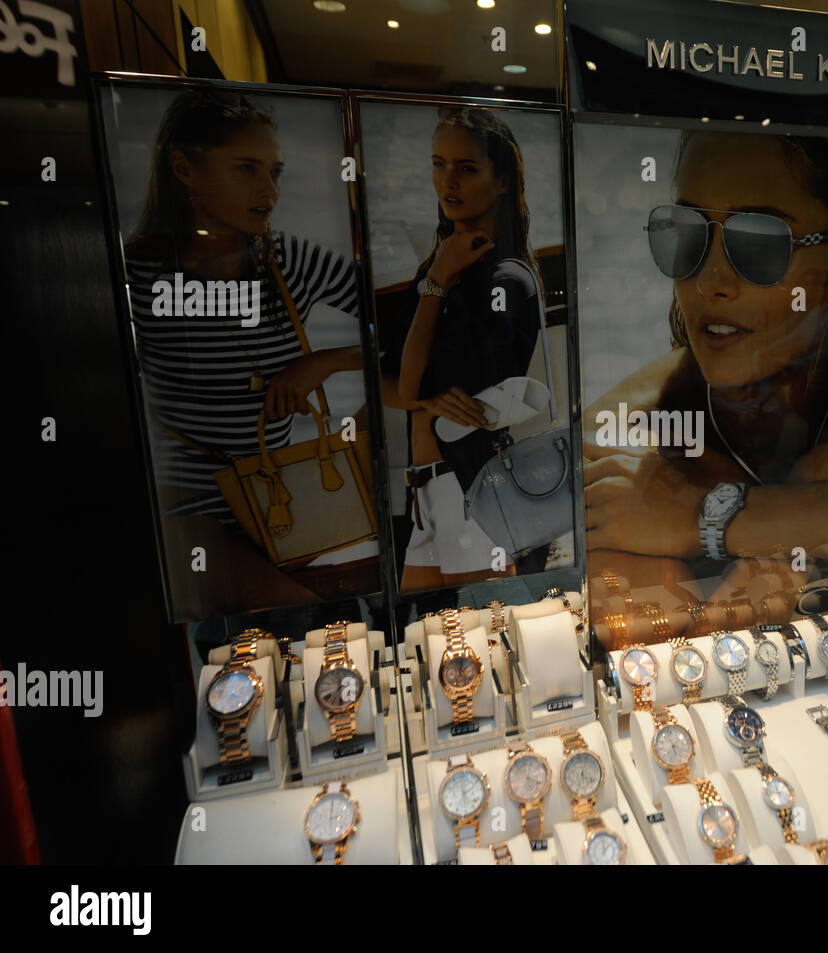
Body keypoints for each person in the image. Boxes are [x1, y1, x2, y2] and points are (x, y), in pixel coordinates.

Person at [582, 130, 828, 645]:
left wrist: (707, 517)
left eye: (761, 244)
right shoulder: (627, 434)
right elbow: (649, 664)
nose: (709, 281)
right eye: (688, 235)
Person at [124, 89, 365, 618]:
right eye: (247, 169)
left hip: (273, 498)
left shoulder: (290, 260)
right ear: (184, 169)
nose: (269, 190)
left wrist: (321, 363)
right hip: (186, 508)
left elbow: (407, 328)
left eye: (275, 172)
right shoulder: (135, 273)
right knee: (321, 625)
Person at [391, 107, 542, 592]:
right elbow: (398, 384)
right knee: (429, 639)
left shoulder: (505, 279)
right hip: (426, 488)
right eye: (439, 164)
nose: (448, 181)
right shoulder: (439, 268)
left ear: (501, 181)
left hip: (469, 485)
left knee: (478, 637)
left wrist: (436, 283)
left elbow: (410, 387)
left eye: (467, 168)